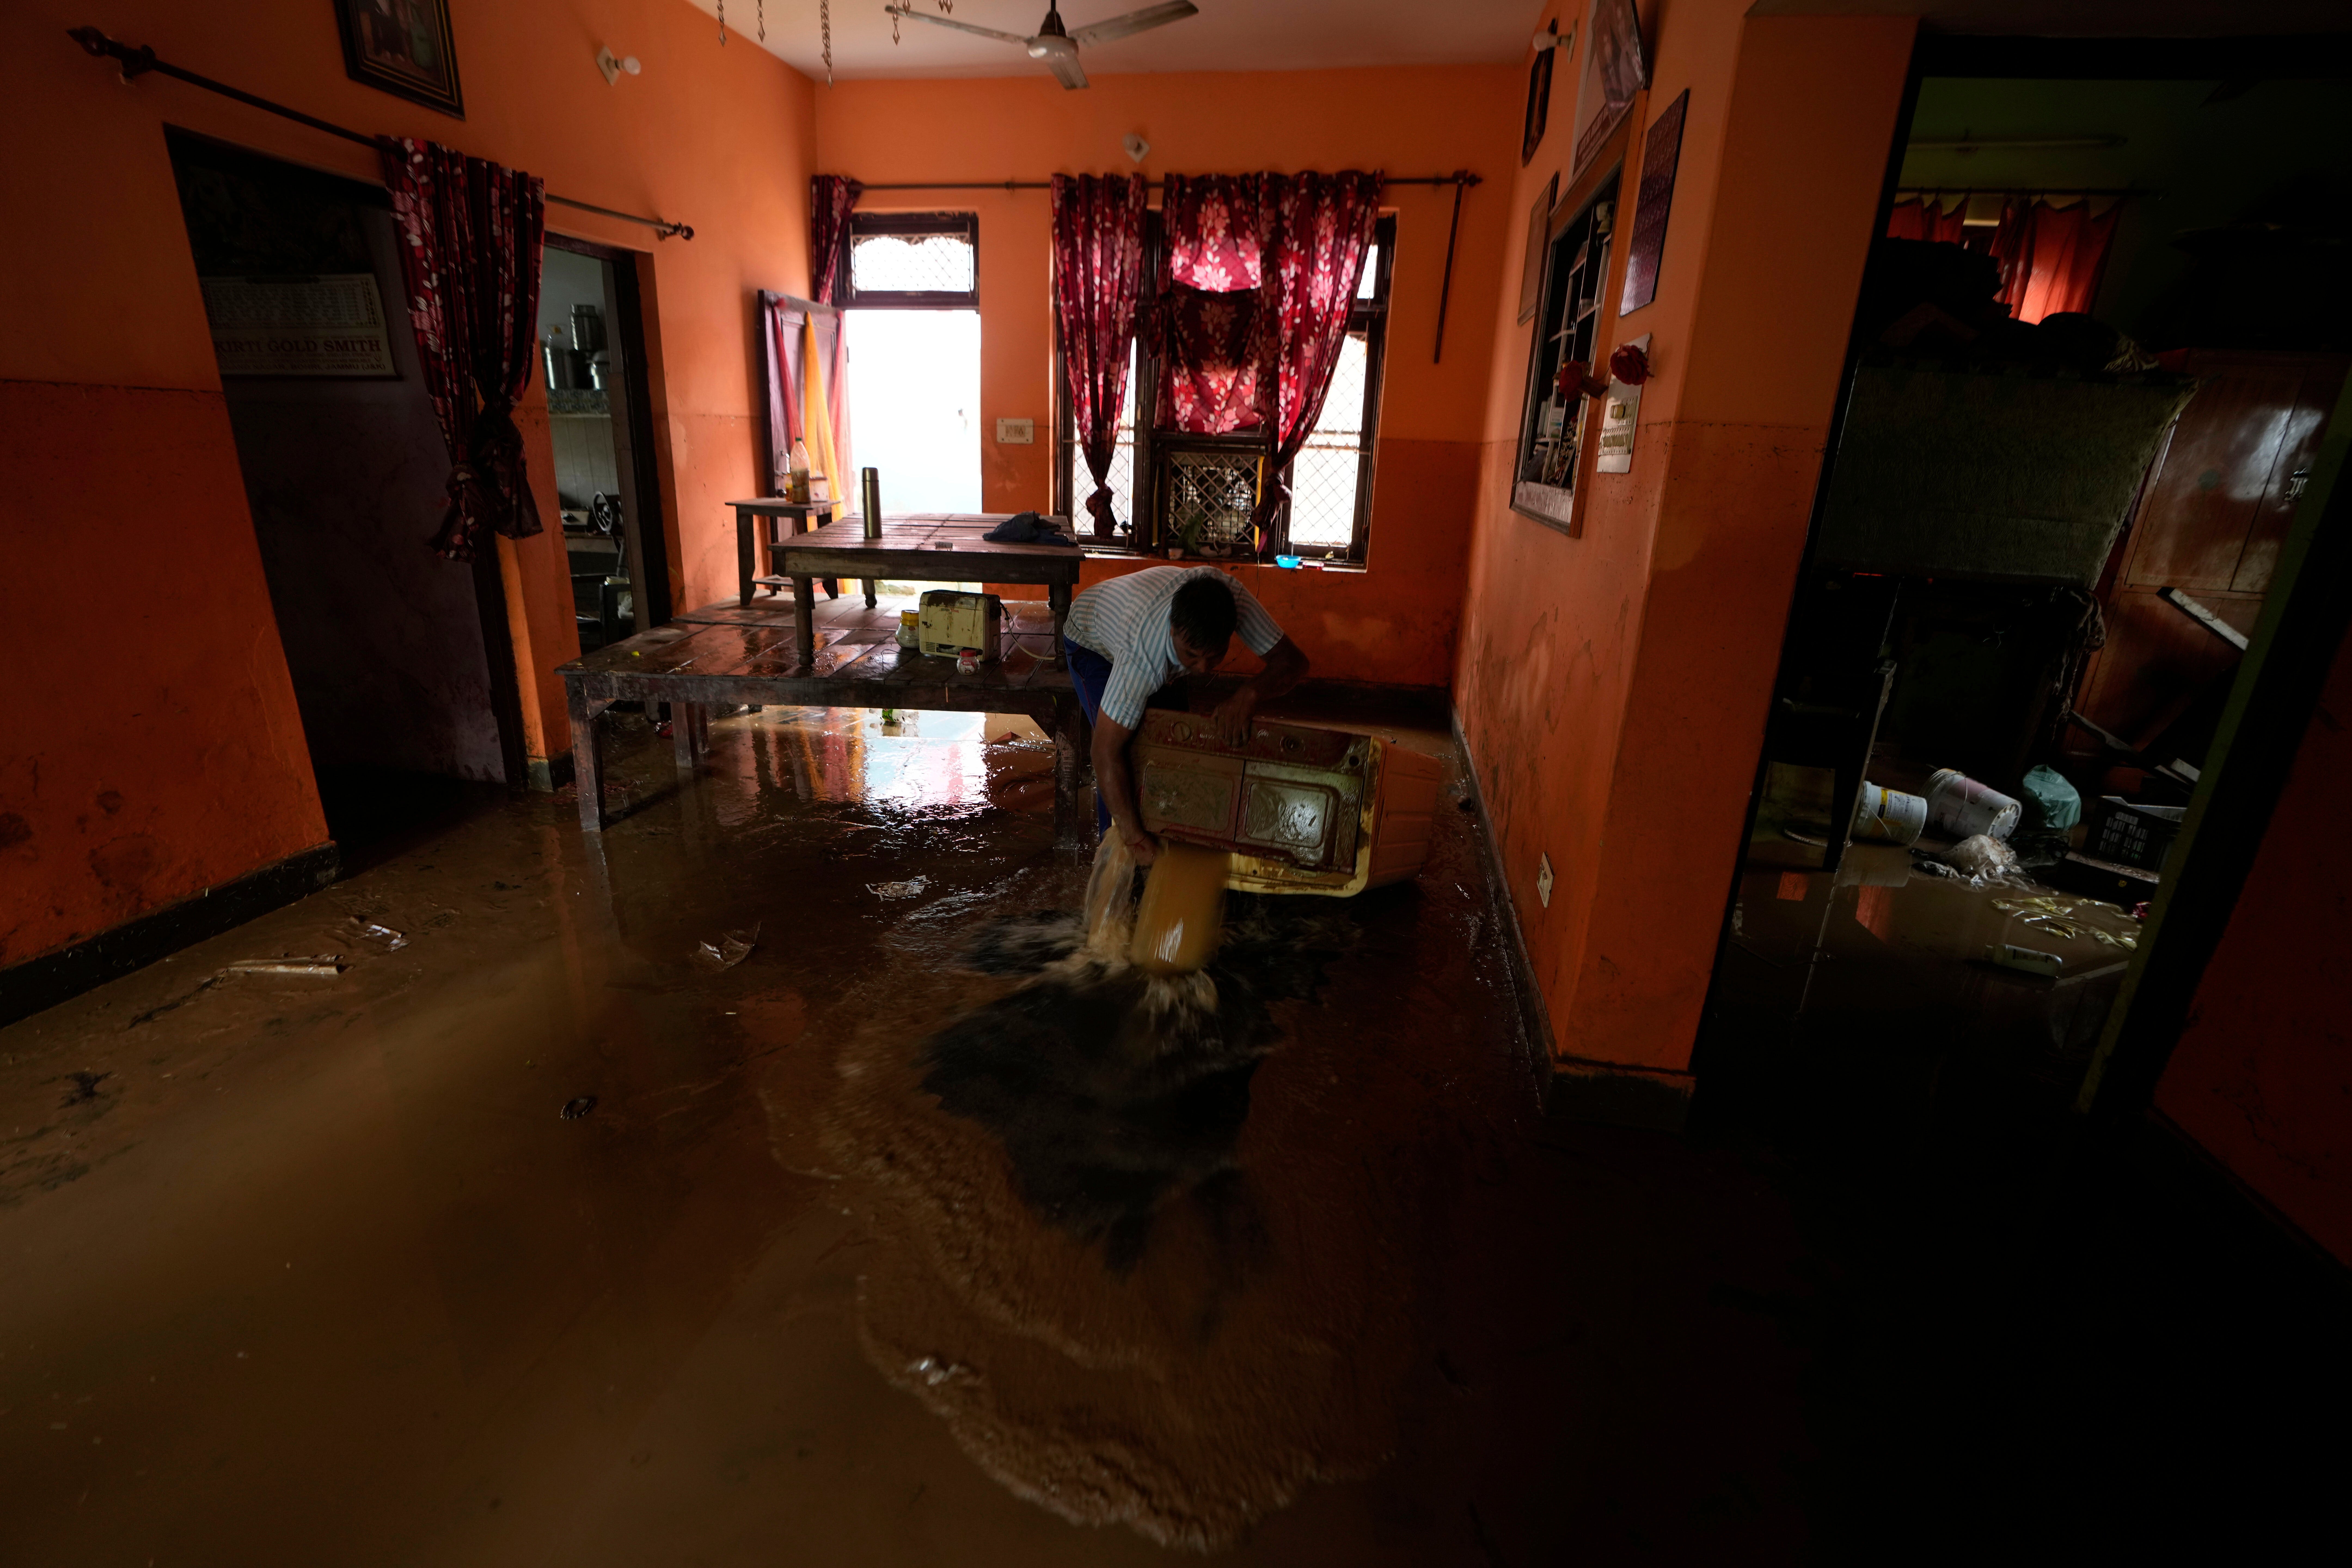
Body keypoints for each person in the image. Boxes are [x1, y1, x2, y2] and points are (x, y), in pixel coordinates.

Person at [1063, 566, 1310, 866]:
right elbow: (1104, 753)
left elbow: (1294, 663)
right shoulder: (1142, 656)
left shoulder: (1229, 600)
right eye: (1191, 655)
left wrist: (1249, 694)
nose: (1204, 669)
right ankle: (1118, 861)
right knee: (1125, 748)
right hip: (1091, 640)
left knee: (1174, 745)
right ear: (1173, 630)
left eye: (1215, 655)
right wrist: (1134, 837)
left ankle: (1171, 834)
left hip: (1136, 620)